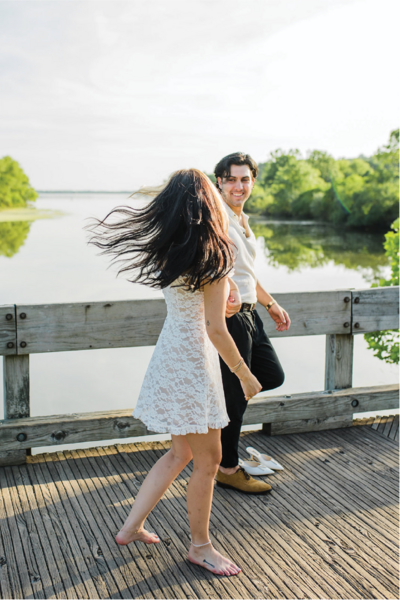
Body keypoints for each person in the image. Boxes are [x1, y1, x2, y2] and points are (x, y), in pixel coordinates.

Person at [88, 169, 262, 577]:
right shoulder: (216, 254)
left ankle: (130, 527)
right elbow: (215, 329)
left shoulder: (172, 250)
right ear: (209, 204)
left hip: (170, 355)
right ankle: (200, 547)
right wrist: (243, 373)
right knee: (209, 461)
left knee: (181, 452)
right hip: (194, 363)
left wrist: (226, 304)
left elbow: (199, 308)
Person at [214, 152, 291, 494]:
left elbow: (247, 273)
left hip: (251, 314)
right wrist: (226, 288)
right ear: (219, 181)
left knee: (270, 375)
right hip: (231, 317)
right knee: (234, 396)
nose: (238, 186)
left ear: (253, 182)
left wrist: (270, 303)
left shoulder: (242, 218)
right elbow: (213, 263)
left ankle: (214, 449)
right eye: (231, 179)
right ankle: (226, 466)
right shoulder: (217, 217)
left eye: (244, 179)